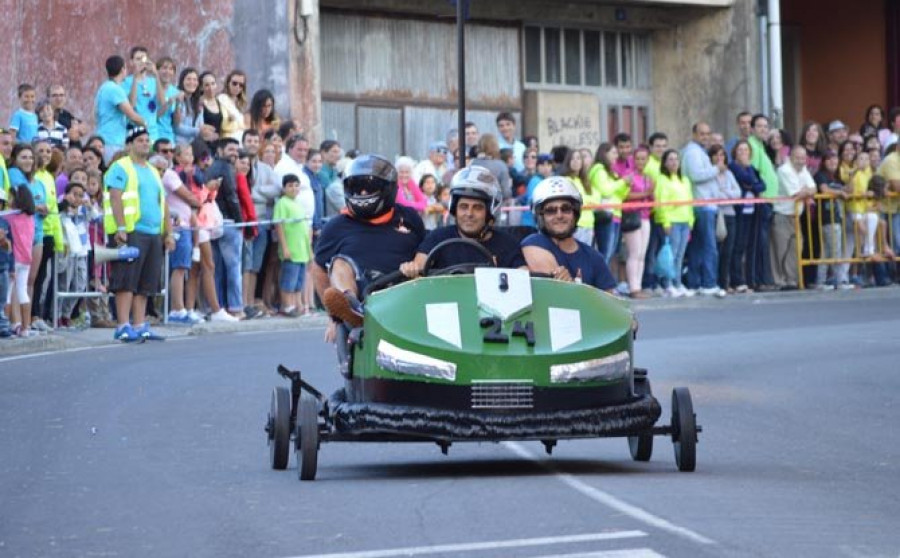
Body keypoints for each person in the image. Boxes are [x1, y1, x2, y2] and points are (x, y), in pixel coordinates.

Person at [313, 154, 425, 332]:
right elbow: (318, 267)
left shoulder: (409, 217)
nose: (363, 193)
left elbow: (424, 249)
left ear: (388, 188)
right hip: (365, 299)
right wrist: (333, 316)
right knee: (340, 263)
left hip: (406, 293)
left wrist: (416, 265)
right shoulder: (336, 226)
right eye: (357, 187)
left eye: (370, 187)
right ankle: (350, 309)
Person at [103, 126, 174, 341]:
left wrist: (167, 232)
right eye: (140, 140)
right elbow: (116, 196)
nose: (145, 143)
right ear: (130, 144)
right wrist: (121, 227)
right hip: (131, 231)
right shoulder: (120, 167)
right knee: (126, 280)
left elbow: (162, 203)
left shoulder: (153, 171)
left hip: (153, 233)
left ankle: (140, 324)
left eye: (147, 140)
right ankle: (122, 325)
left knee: (146, 282)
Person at [399, 165, 526, 278]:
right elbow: (418, 267)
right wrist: (411, 270)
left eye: (477, 208)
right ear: (455, 209)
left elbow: (525, 277)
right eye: (463, 206)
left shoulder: (507, 243)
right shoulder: (437, 238)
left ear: (489, 212)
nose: (469, 214)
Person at [521, 176, 616, 291]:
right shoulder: (533, 243)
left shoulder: (594, 258)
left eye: (566, 208)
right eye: (550, 210)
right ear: (540, 216)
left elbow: (610, 303)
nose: (559, 215)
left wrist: (570, 287)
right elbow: (555, 292)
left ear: (575, 212)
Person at [681, 122, 725, 295]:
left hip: (706, 204)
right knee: (708, 246)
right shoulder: (692, 152)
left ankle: (696, 282)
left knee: (699, 247)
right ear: (694, 134)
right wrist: (716, 169)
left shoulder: (698, 152)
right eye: (702, 134)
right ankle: (708, 283)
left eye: (708, 134)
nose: (705, 137)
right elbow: (696, 175)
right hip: (702, 205)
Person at [205, 137, 245, 318]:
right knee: (233, 268)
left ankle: (218, 306)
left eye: (236, 150)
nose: (235, 153)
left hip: (213, 222)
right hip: (227, 222)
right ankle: (236, 308)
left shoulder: (211, 167)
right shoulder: (225, 168)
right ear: (220, 151)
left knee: (217, 268)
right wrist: (239, 221)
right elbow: (231, 195)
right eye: (231, 149)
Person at [772, 145, 816, 290]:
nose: (801, 161)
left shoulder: (803, 169)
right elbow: (795, 194)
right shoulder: (784, 170)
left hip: (796, 216)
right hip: (782, 215)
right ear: (791, 157)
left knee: (795, 250)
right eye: (797, 157)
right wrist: (806, 192)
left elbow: (813, 188)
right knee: (780, 250)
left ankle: (791, 280)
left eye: (803, 158)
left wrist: (806, 192)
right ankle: (779, 281)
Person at [654, 149, 695, 298]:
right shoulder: (662, 180)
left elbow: (689, 201)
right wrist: (665, 221)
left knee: (680, 255)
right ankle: (668, 284)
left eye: (676, 159)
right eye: (670, 159)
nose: (674, 162)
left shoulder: (684, 180)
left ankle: (677, 283)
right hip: (672, 222)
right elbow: (661, 203)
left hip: (685, 221)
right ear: (665, 163)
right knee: (670, 255)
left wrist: (691, 220)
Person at [274, 174, 312, 316]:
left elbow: (304, 230)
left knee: (298, 282)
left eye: (296, 185)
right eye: (290, 185)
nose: (293, 188)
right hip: (291, 250)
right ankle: (287, 306)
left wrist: (309, 251)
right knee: (288, 281)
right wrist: (284, 247)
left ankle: (298, 305)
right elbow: (280, 225)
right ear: (284, 188)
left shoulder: (298, 204)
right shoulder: (282, 203)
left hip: (302, 251)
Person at [94, 55, 146, 161]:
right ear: (123, 69)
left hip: (107, 139)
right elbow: (132, 115)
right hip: (112, 141)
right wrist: (145, 124)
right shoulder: (114, 89)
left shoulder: (106, 87)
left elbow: (130, 104)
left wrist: (135, 78)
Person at [748, 114, 778, 290]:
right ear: (752, 129)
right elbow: (754, 172)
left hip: (768, 200)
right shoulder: (752, 145)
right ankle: (761, 280)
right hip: (761, 200)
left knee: (764, 241)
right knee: (760, 242)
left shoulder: (761, 146)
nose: (763, 130)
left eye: (766, 127)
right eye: (759, 126)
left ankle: (764, 279)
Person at [814, 150, 850, 289]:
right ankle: (840, 281)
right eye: (829, 160)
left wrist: (853, 175)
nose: (832, 163)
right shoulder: (821, 175)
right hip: (828, 217)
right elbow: (824, 190)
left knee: (826, 252)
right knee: (835, 251)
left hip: (837, 216)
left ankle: (820, 281)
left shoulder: (836, 177)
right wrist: (839, 192)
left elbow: (848, 190)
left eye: (835, 160)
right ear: (824, 162)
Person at [57, 181, 90, 327]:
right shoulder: (63, 207)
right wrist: (66, 203)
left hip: (82, 251)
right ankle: (57, 315)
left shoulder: (84, 210)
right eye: (74, 194)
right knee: (64, 284)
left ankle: (66, 313)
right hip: (67, 251)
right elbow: (57, 213)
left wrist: (88, 206)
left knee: (80, 284)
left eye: (80, 195)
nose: (77, 198)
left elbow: (95, 217)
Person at [5, 185, 36, 336]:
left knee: (7, 292)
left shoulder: (10, 217)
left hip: (13, 260)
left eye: (11, 197)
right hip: (26, 259)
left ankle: (5, 325)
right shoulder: (30, 218)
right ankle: (25, 327)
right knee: (23, 291)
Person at [622, 146, 653, 298]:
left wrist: (651, 197)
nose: (640, 161)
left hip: (645, 217)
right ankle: (633, 287)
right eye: (638, 158)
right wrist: (645, 193)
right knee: (634, 253)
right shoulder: (629, 175)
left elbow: (651, 197)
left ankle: (638, 286)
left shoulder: (648, 177)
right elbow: (624, 194)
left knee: (642, 254)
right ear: (633, 160)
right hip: (632, 217)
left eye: (643, 158)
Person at [471, 134, 513, 201]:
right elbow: (506, 193)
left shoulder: (472, 163)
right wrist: (510, 185)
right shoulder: (501, 165)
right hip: (494, 205)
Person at [219, 70, 248, 141]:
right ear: (228, 83)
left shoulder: (240, 103)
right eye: (234, 83)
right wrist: (232, 122)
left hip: (241, 137)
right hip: (228, 139)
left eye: (241, 85)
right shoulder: (222, 99)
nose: (237, 87)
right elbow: (224, 126)